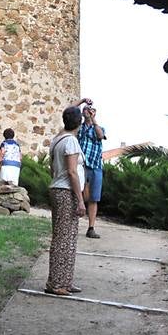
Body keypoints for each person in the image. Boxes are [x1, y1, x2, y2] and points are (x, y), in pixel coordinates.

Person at [45, 106, 87, 295]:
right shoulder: (70, 141)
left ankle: (63, 281)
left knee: (65, 238)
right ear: (79, 122)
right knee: (64, 238)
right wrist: (80, 200)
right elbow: (72, 172)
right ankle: (57, 284)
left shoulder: (57, 140)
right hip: (66, 191)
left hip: (57, 188)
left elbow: (51, 167)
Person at [75, 98, 106, 239]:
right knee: (77, 195)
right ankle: (73, 225)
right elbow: (68, 110)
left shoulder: (99, 127)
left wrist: (94, 121)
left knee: (94, 198)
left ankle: (91, 227)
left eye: (89, 109)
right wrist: (81, 101)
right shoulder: (78, 128)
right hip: (81, 165)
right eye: (85, 109)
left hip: (95, 166)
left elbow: (100, 136)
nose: (87, 111)